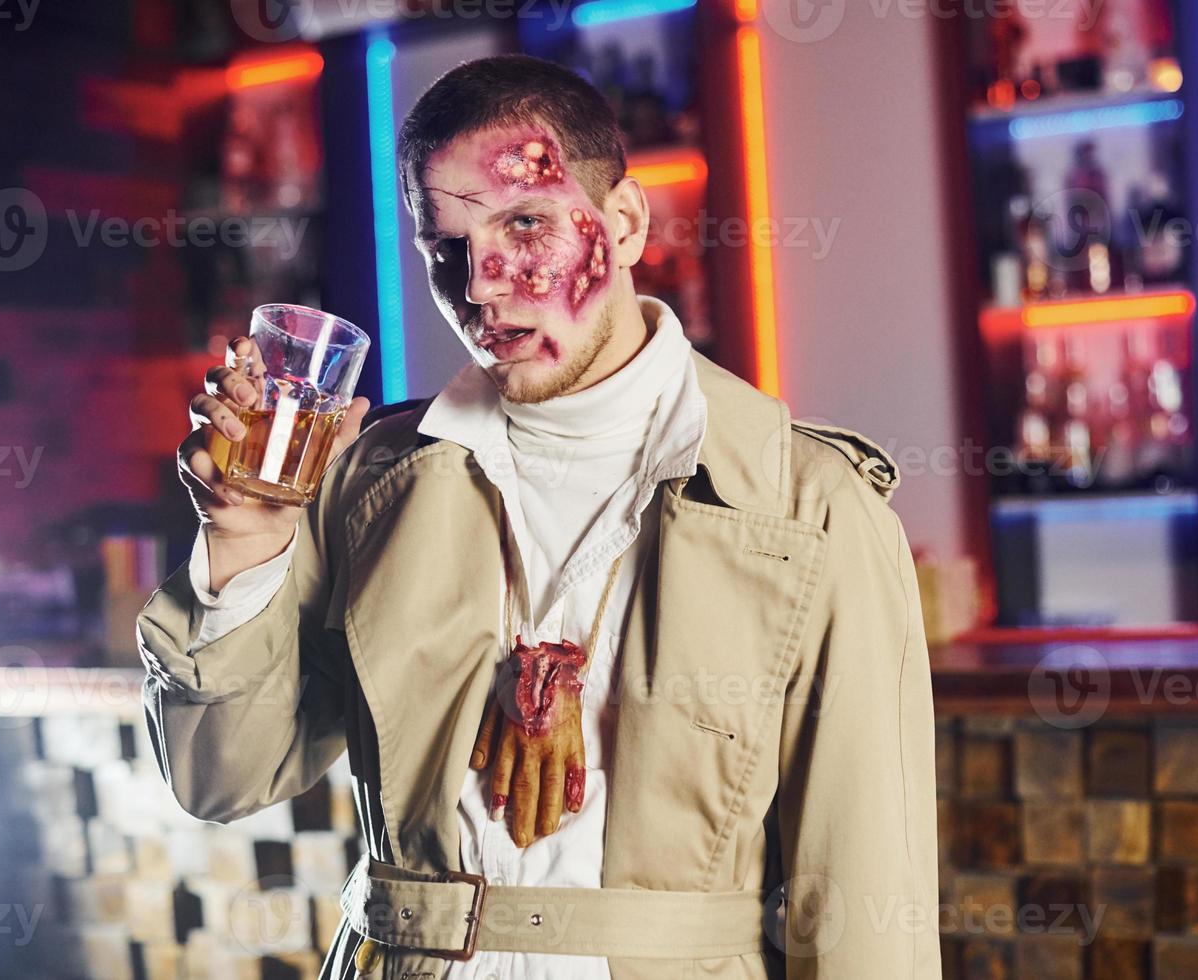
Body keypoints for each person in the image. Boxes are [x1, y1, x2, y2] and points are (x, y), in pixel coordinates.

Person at [139, 53, 940, 980]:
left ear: (627, 222)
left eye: (524, 222)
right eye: (444, 247)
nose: (480, 283)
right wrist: (241, 538)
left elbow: (865, 907)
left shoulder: (814, 511)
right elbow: (221, 779)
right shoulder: (364, 481)